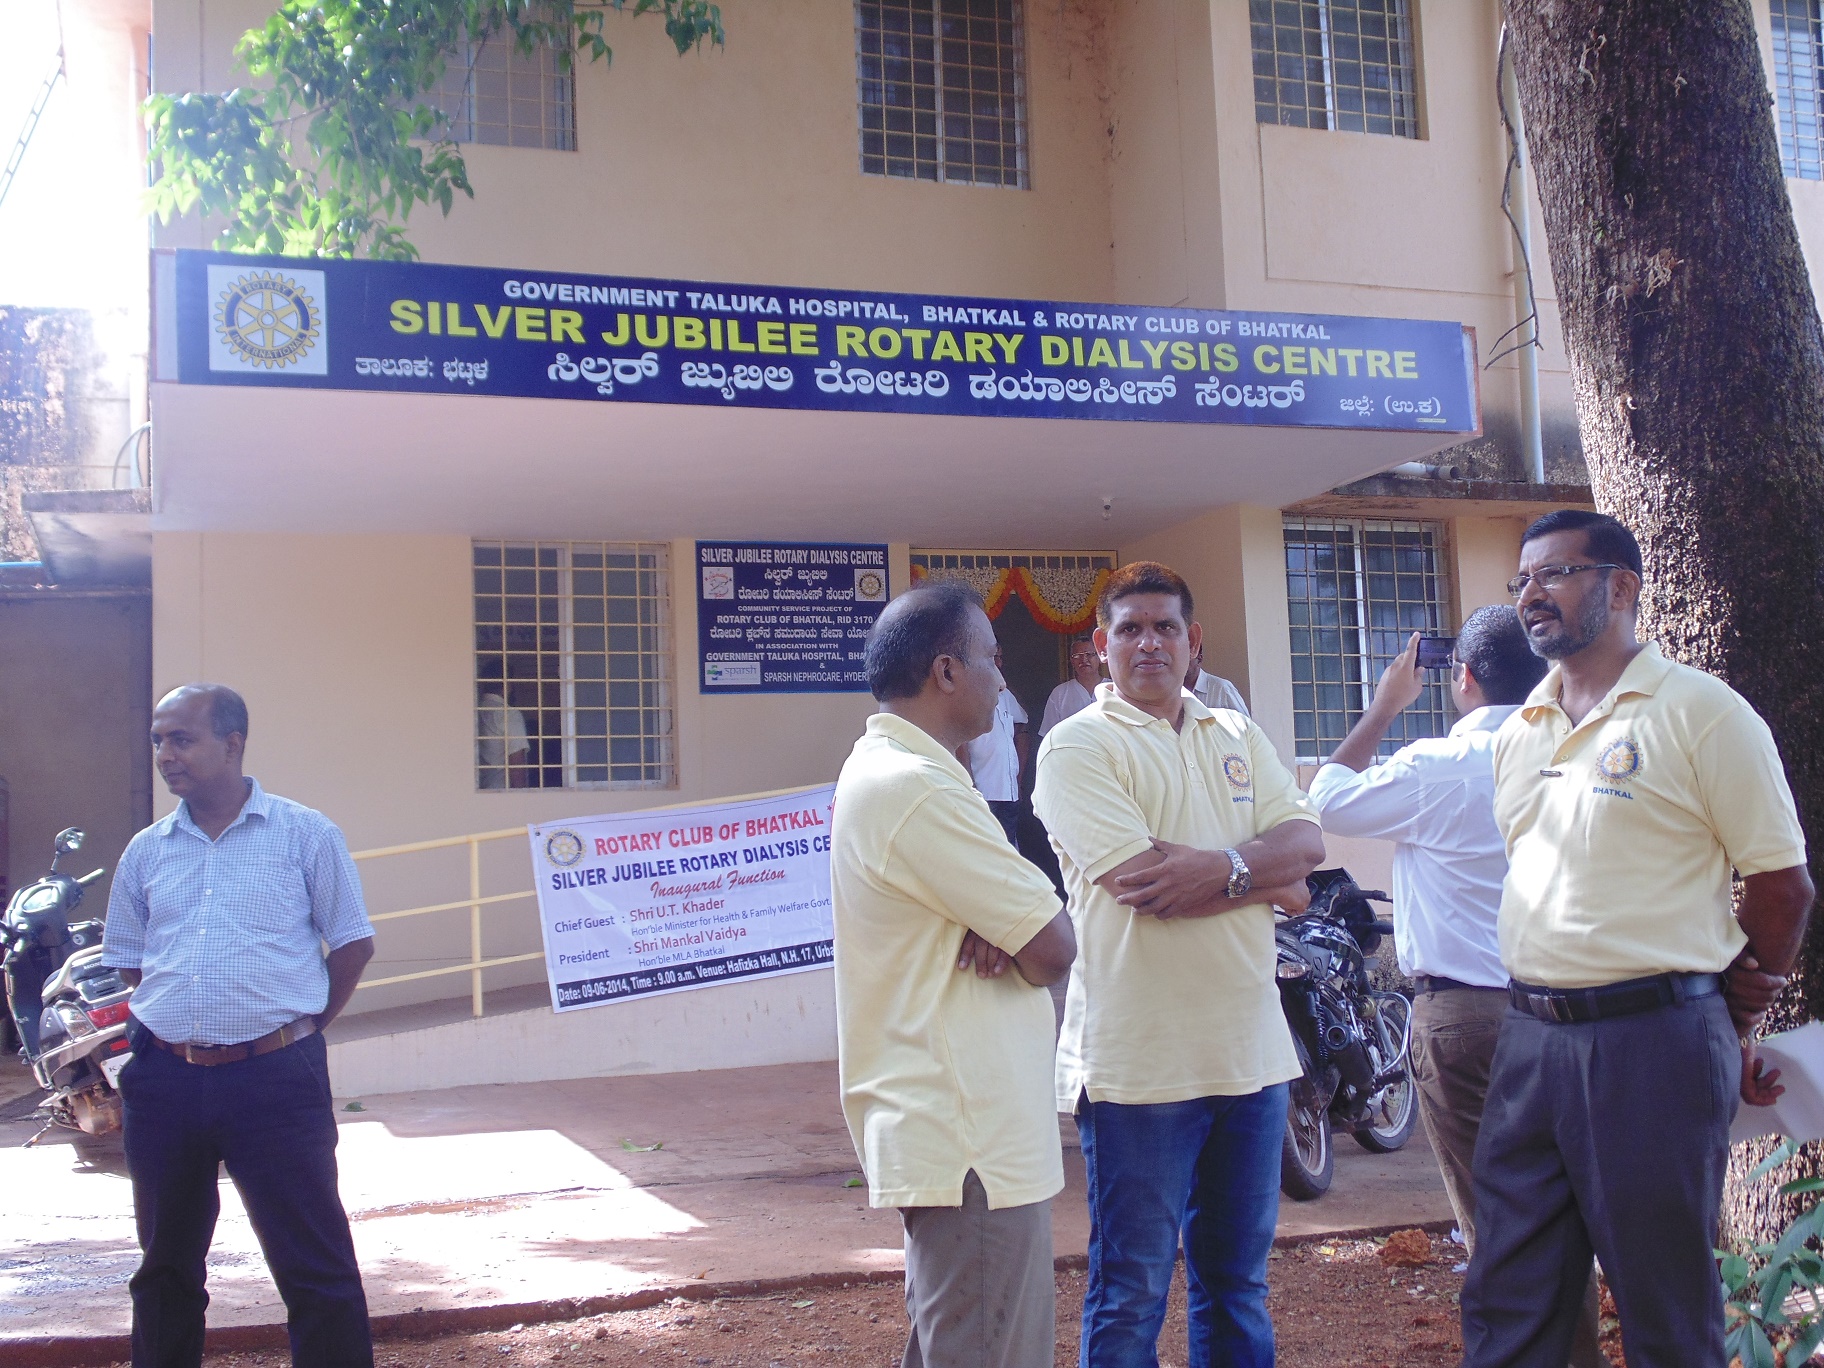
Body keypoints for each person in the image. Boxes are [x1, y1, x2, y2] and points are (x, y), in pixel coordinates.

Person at [1460, 510, 1814, 1368]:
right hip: (1530, 1042)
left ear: (1621, 588)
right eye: (1522, 581)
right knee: (1507, 1299)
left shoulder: (1702, 713)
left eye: (1555, 574)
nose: (1531, 595)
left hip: (1653, 1046)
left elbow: (1781, 885)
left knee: (1663, 1308)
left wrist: (1738, 1001)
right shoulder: (1518, 734)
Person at [1032, 561, 1325, 1367]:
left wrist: (1220, 871)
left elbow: (1308, 849)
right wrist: (1263, 879)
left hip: (1253, 1060)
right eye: (1129, 628)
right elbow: (1142, 884)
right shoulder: (1075, 747)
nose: (1148, 642)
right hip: (1140, 1070)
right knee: (1130, 1291)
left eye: (1165, 626)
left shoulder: (1235, 732)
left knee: (1237, 1286)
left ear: (1193, 642)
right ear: (1100, 646)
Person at [1304, 609, 1603, 1368]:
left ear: (1461, 678)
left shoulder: (1435, 765)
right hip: (1574, 1011)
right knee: (1565, 1203)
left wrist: (1381, 706)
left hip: (1466, 1017)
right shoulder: (1582, 755)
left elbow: (1326, 803)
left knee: (1494, 1218)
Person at [832, 583, 1077, 1368]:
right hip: (968, 1133)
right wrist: (1019, 924)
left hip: (963, 1130)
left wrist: (1008, 921)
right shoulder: (917, 788)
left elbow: (1028, 931)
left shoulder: (908, 774)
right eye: (992, 660)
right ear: (946, 671)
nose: (1005, 681)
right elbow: (1054, 944)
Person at [101, 684, 378, 1368]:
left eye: (182, 739)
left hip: (276, 1080)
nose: (167, 755)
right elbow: (133, 964)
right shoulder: (146, 850)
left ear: (233, 743)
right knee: (165, 1268)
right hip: (164, 1082)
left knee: (314, 1266)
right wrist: (181, 1029)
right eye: (159, 741)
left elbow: (351, 945)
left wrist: (296, 1031)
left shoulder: (305, 833)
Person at [966, 643, 1031, 843]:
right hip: (983, 790)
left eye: (1000, 657)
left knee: (1009, 849)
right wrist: (969, 784)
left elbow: (1022, 728)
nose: (997, 662)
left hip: (1009, 791)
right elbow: (960, 743)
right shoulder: (967, 695)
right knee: (985, 849)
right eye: (992, 657)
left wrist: (1017, 779)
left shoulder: (1005, 694)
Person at [477, 661, 530, 789]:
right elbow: (517, 764)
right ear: (508, 684)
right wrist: (522, 799)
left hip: (479, 788)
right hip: (502, 791)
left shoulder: (475, 712)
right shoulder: (508, 714)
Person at [1039, 634, 1101, 736]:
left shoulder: (1115, 689)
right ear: (1072, 661)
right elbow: (1049, 735)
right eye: (1077, 656)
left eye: (1089, 654)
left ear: (1099, 656)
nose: (1084, 660)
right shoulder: (1059, 694)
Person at [1184, 642, 1250, 717]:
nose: (1180, 663)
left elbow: (1245, 726)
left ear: (1199, 659)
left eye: (1185, 658)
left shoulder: (1222, 689)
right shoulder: (1172, 691)